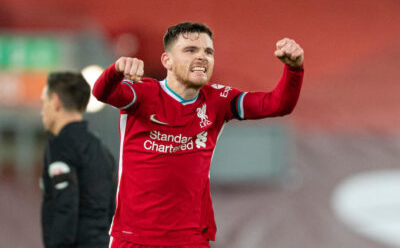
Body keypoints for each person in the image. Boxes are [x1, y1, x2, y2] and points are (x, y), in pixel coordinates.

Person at [93, 22, 304, 248]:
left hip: (189, 239)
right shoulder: (143, 93)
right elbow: (102, 92)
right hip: (134, 237)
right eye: (191, 50)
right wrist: (115, 71)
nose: (203, 57)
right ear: (167, 61)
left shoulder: (219, 100)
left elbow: (277, 104)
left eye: (208, 51)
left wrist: (294, 69)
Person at [40, 72, 117, 248]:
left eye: (44, 102)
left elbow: (66, 204)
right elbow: (113, 209)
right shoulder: (102, 150)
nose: (42, 110)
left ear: (56, 101)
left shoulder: (61, 146)